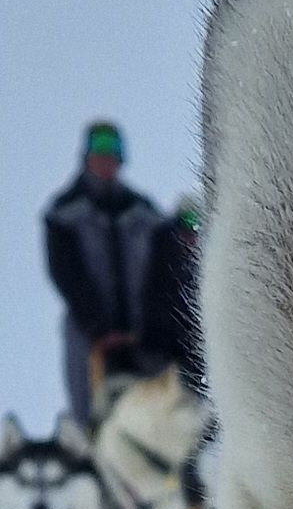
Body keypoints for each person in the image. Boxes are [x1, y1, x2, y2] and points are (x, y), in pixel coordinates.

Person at [42, 122, 162, 423]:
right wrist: (99, 327)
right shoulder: (64, 212)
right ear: (86, 157)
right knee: (93, 419)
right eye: (99, 153)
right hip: (89, 335)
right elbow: (66, 273)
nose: (106, 161)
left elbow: (162, 268)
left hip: (142, 333)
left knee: (153, 417)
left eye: (112, 154)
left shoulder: (143, 211)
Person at [139, 198, 205, 393]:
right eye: (188, 223)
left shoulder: (206, 265)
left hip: (196, 355)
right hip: (164, 357)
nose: (193, 233)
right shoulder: (161, 264)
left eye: (198, 224)